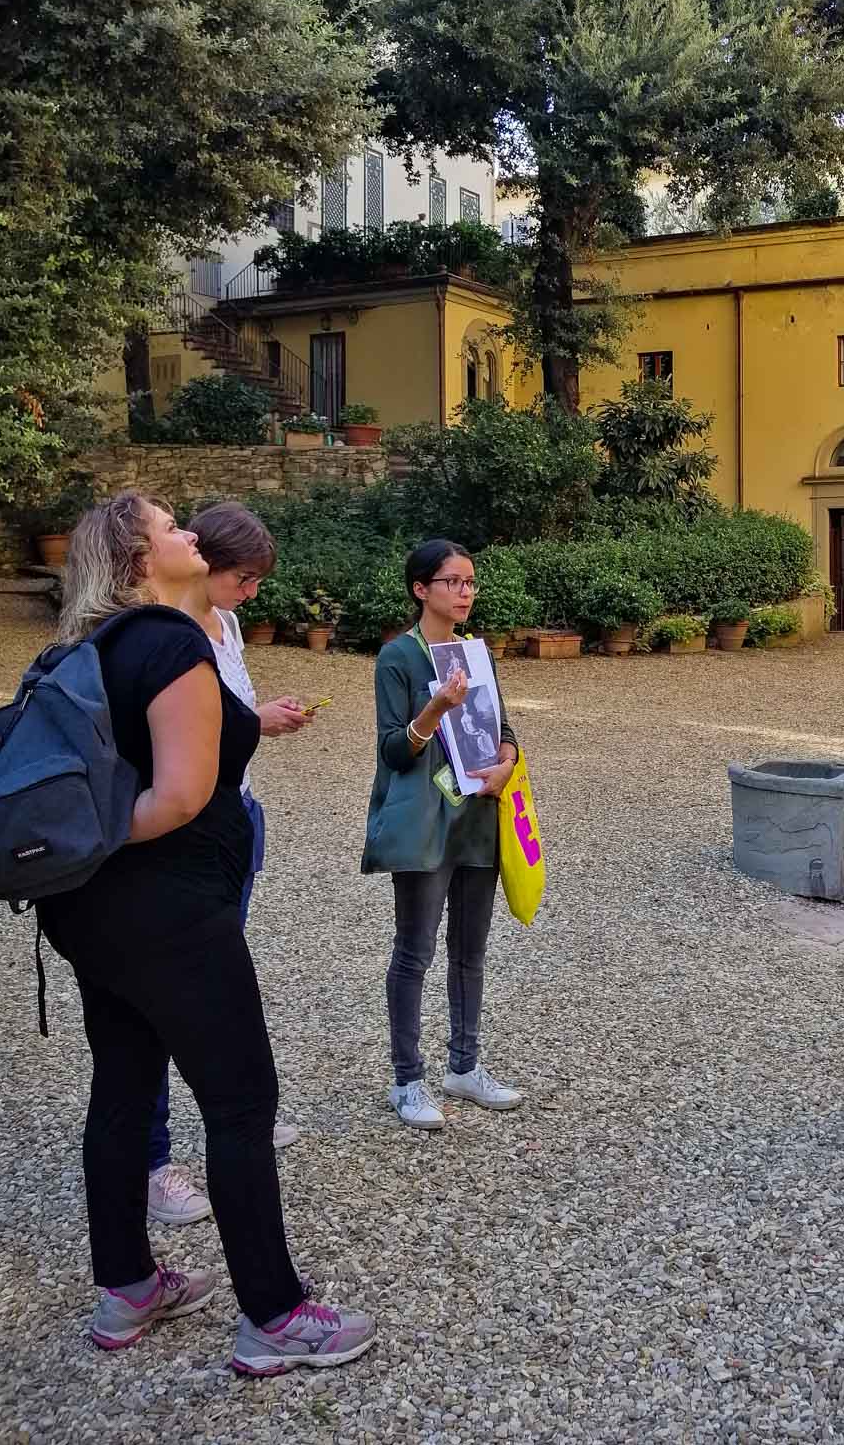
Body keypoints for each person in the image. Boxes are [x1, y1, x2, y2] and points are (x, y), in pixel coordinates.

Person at [36, 492, 374, 1372]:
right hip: (171, 911)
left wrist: (80, 851)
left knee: (121, 1090)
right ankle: (275, 1315)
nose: (189, 532)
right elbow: (182, 796)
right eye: (168, 527)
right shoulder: (171, 643)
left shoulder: (86, 646)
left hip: (89, 912)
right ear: (139, 559)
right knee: (241, 1103)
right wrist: (99, 836)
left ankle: (127, 1289)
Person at [143, 502, 311, 1229]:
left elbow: (229, 716)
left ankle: (234, 1117)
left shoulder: (227, 625)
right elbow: (184, 735)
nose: (251, 592)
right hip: (182, 832)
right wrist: (253, 721)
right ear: (202, 561)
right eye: (243, 579)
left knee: (221, 985)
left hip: (235, 816)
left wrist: (260, 715)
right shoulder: (159, 633)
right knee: (160, 999)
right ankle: (153, 1160)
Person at [364, 539, 524, 1131]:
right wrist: (434, 708)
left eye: (470, 582)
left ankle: (465, 1066)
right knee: (415, 951)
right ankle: (406, 1080)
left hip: (477, 815)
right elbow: (392, 750)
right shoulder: (398, 658)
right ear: (420, 589)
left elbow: (504, 729)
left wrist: (506, 763)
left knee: (470, 952)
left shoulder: (476, 652)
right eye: (453, 582)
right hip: (425, 821)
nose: (465, 592)